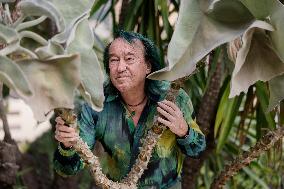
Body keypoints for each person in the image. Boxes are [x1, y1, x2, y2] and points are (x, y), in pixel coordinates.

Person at [53, 31, 206, 189]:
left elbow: (198, 151)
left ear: (148, 66)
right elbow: (67, 169)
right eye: (114, 60)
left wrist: (184, 131)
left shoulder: (173, 98)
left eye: (129, 58)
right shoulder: (96, 106)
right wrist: (67, 145)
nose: (120, 67)